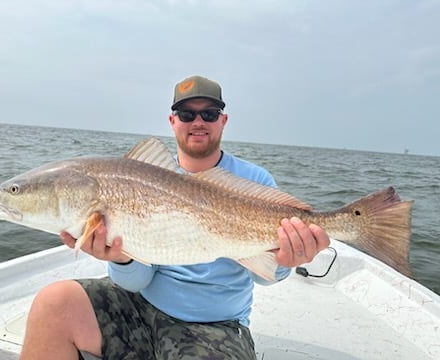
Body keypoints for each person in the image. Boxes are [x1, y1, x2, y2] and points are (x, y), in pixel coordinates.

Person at [20, 75, 330, 360]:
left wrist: (285, 262)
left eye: (209, 114)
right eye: (186, 114)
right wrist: (122, 259)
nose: (198, 121)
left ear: (223, 121)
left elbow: (264, 275)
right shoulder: (142, 177)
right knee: (53, 304)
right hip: (141, 308)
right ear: (172, 121)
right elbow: (138, 280)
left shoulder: (254, 180)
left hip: (216, 326)